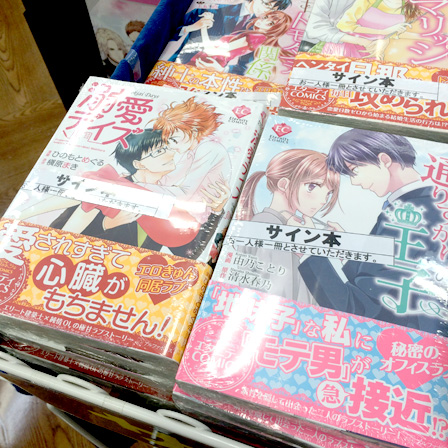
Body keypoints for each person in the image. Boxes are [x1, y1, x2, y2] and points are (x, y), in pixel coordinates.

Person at [298, 129, 447, 336]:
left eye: (354, 170)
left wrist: (309, 250)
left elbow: (359, 309)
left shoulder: (405, 217)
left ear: (384, 160)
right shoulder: (431, 203)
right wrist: (350, 252)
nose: (355, 182)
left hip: (403, 342)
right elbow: (384, 281)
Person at [235, 149, 340, 304]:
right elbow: (281, 297)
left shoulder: (283, 226)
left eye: (328, 193)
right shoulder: (269, 224)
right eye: (312, 186)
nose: (323, 200)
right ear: (284, 184)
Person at [163, 0, 292, 75]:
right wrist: (192, 27)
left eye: (274, 9)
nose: (268, 11)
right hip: (178, 67)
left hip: (209, 77)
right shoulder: (215, 8)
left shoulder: (258, 29)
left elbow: (244, 66)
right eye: (267, 4)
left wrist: (223, 70)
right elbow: (169, 33)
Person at [187, 11, 295, 75]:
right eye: (266, 17)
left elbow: (211, 51)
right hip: (207, 61)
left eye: (270, 23)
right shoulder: (254, 35)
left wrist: (203, 26)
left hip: (207, 62)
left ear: (276, 29)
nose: (263, 21)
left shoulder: (255, 38)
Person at [319, 0, 423, 59]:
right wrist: (383, 32)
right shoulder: (369, 1)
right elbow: (344, 25)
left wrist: (386, 39)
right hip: (346, 47)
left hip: (373, 52)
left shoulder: (411, 6)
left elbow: (396, 32)